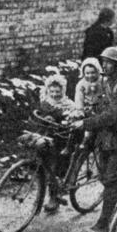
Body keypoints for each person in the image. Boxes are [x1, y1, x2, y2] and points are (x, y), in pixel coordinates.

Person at [70, 46, 117, 232]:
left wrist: (86, 123)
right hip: (105, 137)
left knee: (110, 180)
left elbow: (112, 115)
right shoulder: (105, 81)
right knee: (104, 174)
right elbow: (97, 105)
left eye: (109, 63)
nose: (105, 65)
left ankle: (103, 225)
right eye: (104, 61)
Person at [37, 74, 76, 212]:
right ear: (47, 91)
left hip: (61, 138)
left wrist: (63, 121)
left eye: (57, 92)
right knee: (44, 163)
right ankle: (41, 190)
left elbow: (71, 120)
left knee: (55, 166)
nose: (54, 94)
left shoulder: (68, 104)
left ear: (63, 91)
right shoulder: (45, 102)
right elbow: (40, 116)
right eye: (52, 91)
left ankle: (54, 197)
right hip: (47, 135)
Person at [74, 58, 105, 149]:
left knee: (96, 118)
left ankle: (90, 138)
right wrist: (80, 109)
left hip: (100, 107)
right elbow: (79, 98)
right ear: (83, 73)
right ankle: (80, 139)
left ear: (98, 71)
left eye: (93, 73)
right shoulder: (81, 84)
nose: (90, 75)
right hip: (88, 107)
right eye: (87, 73)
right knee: (80, 118)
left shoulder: (102, 81)